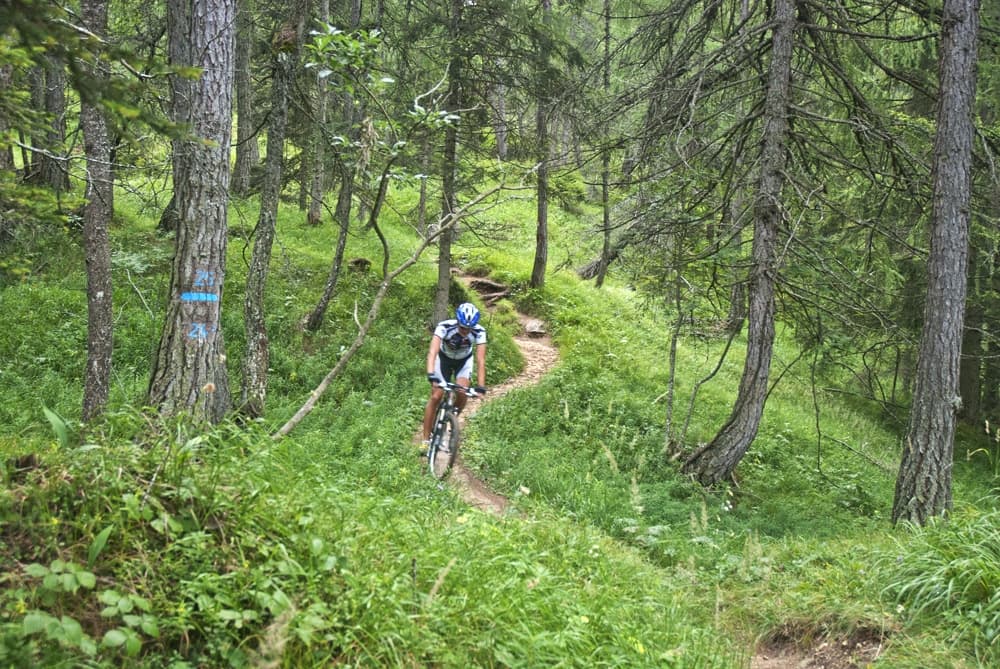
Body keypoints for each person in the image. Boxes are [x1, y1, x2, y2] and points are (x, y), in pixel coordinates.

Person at [421, 302, 487, 448]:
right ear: (458, 322)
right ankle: (425, 439)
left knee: (462, 393)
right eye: (463, 328)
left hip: (463, 361)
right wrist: (431, 374)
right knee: (436, 396)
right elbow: (432, 352)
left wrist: (481, 387)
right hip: (443, 360)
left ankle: (451, 418)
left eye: (469, 329)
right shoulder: (445, 327)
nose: (465, 331)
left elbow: (481, 360)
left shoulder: (479, 331)